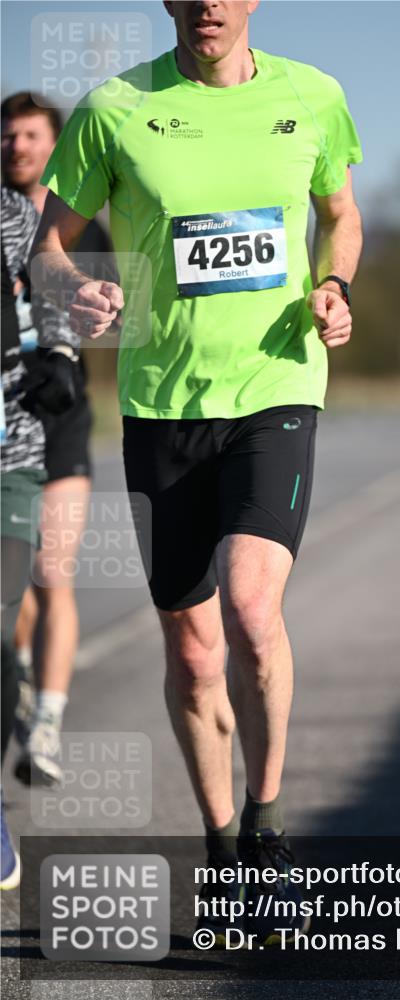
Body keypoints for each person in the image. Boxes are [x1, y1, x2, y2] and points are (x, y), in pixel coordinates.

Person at [31, 0, 363, 946]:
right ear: (170, 3)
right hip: (161, 406)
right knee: (193, 651)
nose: (209, 4)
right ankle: (220, 847)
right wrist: (76, 289)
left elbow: (341, 218)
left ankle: (265, 830)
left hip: (277, 386)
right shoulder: (115, 108)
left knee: (254, 612)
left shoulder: (314, 98)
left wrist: (333, 287)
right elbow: (46, 246)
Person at [1, 91, 113, 785]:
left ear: (55, 142)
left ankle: (46, 721)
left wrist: (68, 350)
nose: (16, 146)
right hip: (6, 418)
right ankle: (16, 668)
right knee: (15, 587)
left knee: (54, 572)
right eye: (7, 137)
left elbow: (115, 315)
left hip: (63, 414)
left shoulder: (83, 229)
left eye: (30, 136)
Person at [1, 185, 78, 887]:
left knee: (7, 624)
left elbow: (49, 290)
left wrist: (58, 353)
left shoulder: (16, 215)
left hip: (12, 453)